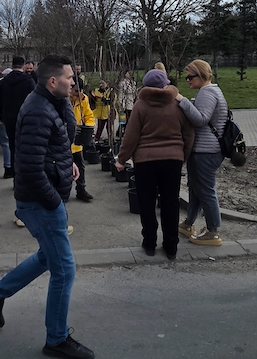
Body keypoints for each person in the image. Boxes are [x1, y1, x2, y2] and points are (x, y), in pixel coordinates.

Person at [0, 55, 95, 359]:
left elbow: (59, 140)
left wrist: (66, 164)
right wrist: (54, 202)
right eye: (69, 78)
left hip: (46, 195)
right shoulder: (38, 111)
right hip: (40, 202)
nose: (74, 82)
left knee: (47, 256)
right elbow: (28, 167)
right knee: (64, 270)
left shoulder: (52, 102)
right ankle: (56, 339)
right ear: (53, 81)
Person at [115, 69, 194, 260]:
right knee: (170, 202)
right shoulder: (177, 104)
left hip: (145, 161)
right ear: (166, 84)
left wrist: (121, 159)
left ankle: (149, 242)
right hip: (172, 160)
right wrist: (183, 155)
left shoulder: (140, 106)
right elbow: (189, 133)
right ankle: (171, 246)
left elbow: (131, 136)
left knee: (147, 203)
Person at [176, 59, 228, 246]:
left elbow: (201, 119)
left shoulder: (207, 92)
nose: (188, 80)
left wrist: (182, 100)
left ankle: (213, 231)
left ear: (201, 75)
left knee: (205, 190)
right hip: (205, 150)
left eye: (190, 77)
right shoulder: (210, 91)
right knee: (196, 188)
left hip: (206, 151)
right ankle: (188, 223)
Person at [0, 56, 36, 227]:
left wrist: (2, 116)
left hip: (9, 120)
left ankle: (15, 179)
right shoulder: (28, 82)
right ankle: (26, 182)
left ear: (12, 65)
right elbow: (34, 101)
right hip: (25, 121)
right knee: (26, 151)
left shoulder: (3, 82)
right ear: (24, 65)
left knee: (13, 148)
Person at [69, 78, 95, 203]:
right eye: (75, 90)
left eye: (80, 90)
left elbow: (88, 115)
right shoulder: (63, 99)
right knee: (64, 167)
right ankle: (63, 191)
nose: (78, 93)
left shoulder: (83, 99)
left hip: (78, 138)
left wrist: (88, 127)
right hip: (66, 138)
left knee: (80, 165)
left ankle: (81, 189)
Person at [89, 79, 114, 144]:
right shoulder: (96, 91)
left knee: (109, 127)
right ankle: (97, 139)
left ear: (107, 83)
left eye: (103, 83)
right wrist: (92, 96)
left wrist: (102, 98)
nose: (101, 85)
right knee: (100, 127)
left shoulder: (110, 91)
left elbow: (110, 101)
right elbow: (92, 101)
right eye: (100, 83)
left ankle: (111, 140)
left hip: (109, 112)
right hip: (100, 113)